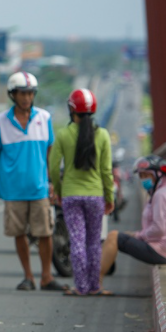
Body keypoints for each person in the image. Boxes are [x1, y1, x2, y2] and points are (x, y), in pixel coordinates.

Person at [0, 71, 66, 292]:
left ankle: (47, 277)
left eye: (30, 93)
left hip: (39, 186)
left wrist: (53, 182)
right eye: (22, 93)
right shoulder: (0, 121)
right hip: (12, 187)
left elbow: (50, 152)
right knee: (18, 232)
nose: (26, 98)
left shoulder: (44, 118)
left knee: (45, 233)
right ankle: (28, 276)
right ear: (13, 95)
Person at [49, 88, 115, 297]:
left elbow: (52, 167)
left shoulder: (63, 134)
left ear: (71, 110)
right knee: (94, 242)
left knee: (77, 241)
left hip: (70, 196)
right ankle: (95, 286)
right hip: (96, 196)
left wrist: (59, 191)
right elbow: (106, 170)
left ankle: (81, 286)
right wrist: (109, 197)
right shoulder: (102, 135)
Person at [99, 155, 166, 281]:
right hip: (160, 248)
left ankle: (96, 282)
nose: (143, 180)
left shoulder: (161, 195)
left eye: (146, 175)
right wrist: (136, 235)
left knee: (114, 236)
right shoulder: (157, 192)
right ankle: (98, 275)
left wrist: (138, 235)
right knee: (112, 236)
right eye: (141, 176)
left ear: (157, 174)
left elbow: (159, 229)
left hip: (160, 251)